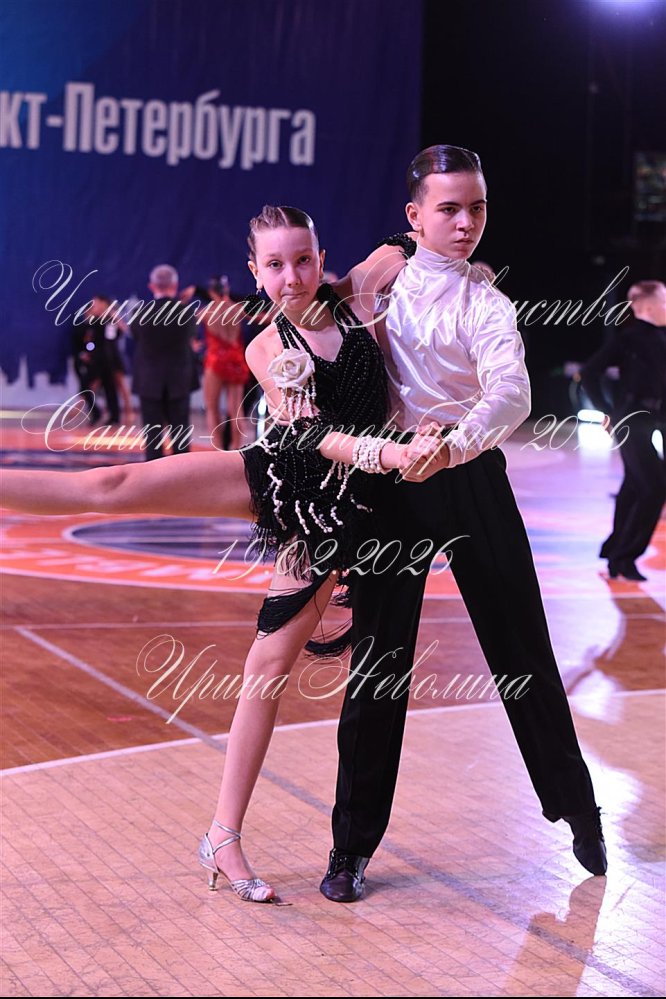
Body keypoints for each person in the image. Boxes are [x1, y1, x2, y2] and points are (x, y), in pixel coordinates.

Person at [0, 206, 436, 903]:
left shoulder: (356, 295)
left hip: (349, 511)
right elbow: (312, 438)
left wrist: (455, 263)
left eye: (302, 259)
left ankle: (221, 835)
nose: (291, 276)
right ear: (254, 273)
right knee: (112, 485)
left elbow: (420, 232)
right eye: (274, 265)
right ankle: (225, 836)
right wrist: (388, 452)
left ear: (322, 258)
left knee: (268, 668)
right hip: (291, 489)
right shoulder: (267, 347)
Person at [319, 145, 609, 904]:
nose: (466, 222)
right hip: (391, 481)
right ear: (414, 216)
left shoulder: (487, 301)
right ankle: (350, 846)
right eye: (448, 208)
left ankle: (579, 808)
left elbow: (511, 393)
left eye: (476, 207)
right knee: (378, 667)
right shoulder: (376, 284)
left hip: (468, 473)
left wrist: (453, 444)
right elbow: (307, 312)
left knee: (522, 648)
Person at [581, 280, 666, 581]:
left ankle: (615, 552)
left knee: (634, 485)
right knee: (654, 488)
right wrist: (606, 411)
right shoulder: (629, 338)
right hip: (631, 420)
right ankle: (625, 556)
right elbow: (589, 372)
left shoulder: (662, 336)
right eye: (664, 301)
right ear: (649, 306)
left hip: (656, 418)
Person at [131, 265, 198, 461]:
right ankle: (182, 477)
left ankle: (154, 477)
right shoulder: (186, 312)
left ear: (152, 286)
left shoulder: (140, 312)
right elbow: (191, 336)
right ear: (175, 285)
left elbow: (136, 336)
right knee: (180, 436)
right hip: (179, 380)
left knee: (152, 439)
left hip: (149, 380)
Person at [201, 277, 252, 451]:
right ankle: (237, 447)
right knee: (236, 409)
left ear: (211, 292)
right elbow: (264, 318)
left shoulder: (206, 312)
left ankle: (217, 448)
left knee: (212, 407)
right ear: (226, 289)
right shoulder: (237, 309)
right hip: (236, 360)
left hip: (215, 361)